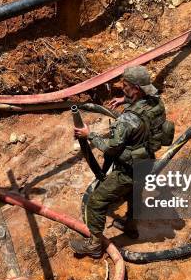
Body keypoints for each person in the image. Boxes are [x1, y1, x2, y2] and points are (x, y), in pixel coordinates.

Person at [70, 65, 168, 258]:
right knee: (134, 197)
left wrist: (90, 135)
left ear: (136, 89)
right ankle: (131, 228)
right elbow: (146, 106)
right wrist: (125, 100)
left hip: (127, 171)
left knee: (95, 203)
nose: (122, 88)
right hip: (147, 163)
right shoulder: (157, 104)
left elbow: (111, 148)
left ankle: (94, 246)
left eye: (125, 86)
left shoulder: (127, 121)